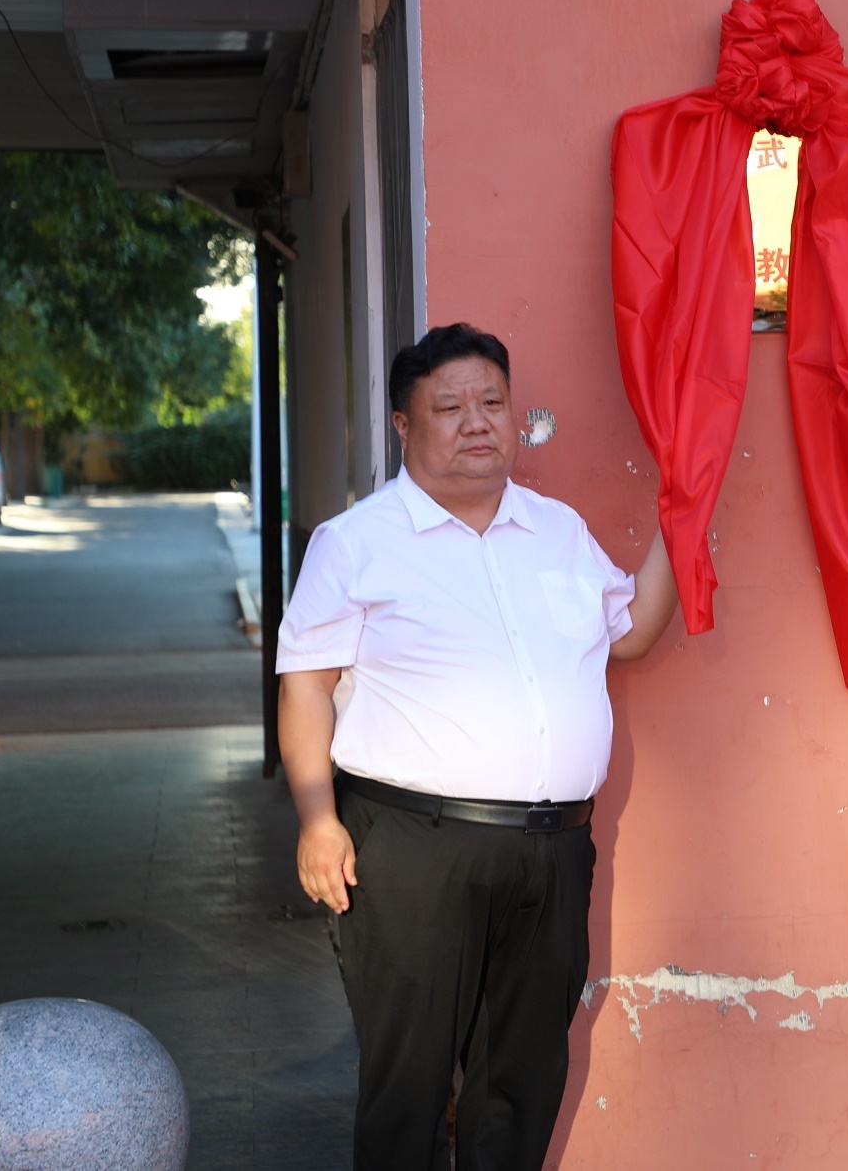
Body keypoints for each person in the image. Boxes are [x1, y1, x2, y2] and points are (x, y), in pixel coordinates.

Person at [275, 322, 679, 1171]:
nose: (476, 422)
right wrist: (317, 818)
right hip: (415, 850)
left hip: (553, 850)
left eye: (492, 402)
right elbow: (306, 685)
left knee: (521, 1083)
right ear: (403, 424)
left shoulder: (557, 531)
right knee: (410, 1086)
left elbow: (634, 630)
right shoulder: (356, 543)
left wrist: (686, 512)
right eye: (449, 406)